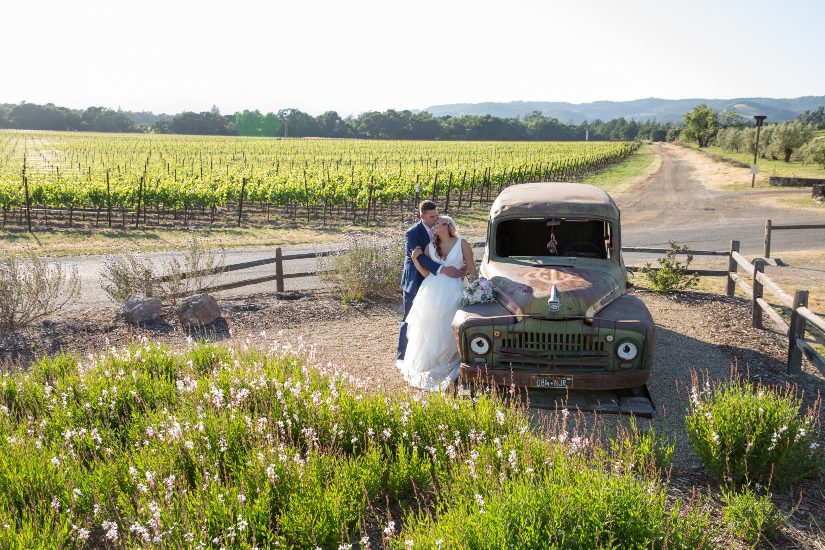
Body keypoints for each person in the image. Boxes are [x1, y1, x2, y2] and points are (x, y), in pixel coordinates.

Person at [397, 215, 477, 391]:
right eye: (433, 224)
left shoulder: (461, 242)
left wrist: (480, 286)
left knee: (449, 324)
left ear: (447, 226)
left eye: (438, 224)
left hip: (455, 290)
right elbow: (427, 274)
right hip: (431, 291)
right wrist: (417, 260)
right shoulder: (430, 246)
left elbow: (471, 267)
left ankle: (450, 360)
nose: (434, 226)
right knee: (431, 324)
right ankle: (430, 362)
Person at [397, 201, 464, 361]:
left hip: (436, 282)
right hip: (416, 279)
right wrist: (443, 270)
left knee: (433, 317)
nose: (436, 218)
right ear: (422, 216)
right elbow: (419, 257)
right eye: (432, 216)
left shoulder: (439, 227)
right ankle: (402, 356)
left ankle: (428, 354)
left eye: (436, 215)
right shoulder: (412, 233)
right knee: (410, 317)